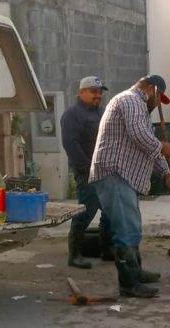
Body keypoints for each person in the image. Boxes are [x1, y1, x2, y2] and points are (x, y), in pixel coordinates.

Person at [89, 74, 170, 298]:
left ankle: (136, 272)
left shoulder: (138, 108)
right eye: (158, 98)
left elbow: (148, 145)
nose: (157, 104)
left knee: (132, 226)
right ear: (150, 88)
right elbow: (141, 136)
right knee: (126, 229)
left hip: (123, 175)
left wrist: (167, 173)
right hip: (114, 173)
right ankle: (128, 283)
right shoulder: (130, 100)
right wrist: (162, 146)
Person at [61, 76, 112, 269]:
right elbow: (71, 146)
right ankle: (74, 255)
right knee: (85, 213)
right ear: (81, 92)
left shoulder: (102, 113)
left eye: (100, 92)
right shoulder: (72, 115)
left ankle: (107, 250)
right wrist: (89, 171)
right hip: (88, 175)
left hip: (107, 172)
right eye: (93, 91)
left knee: (110, 213)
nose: (98, 95)